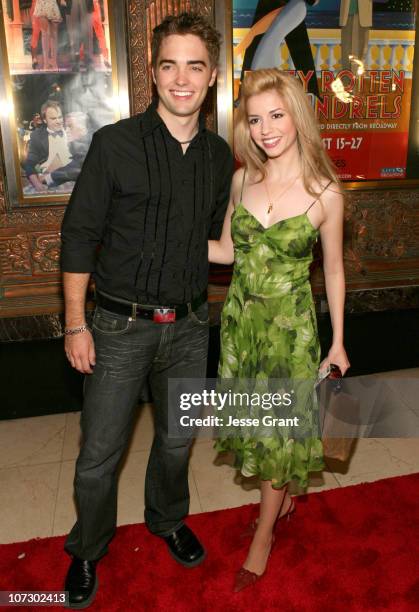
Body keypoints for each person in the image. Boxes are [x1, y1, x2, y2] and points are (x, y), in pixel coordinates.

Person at [60, 12, 233, 609]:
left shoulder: (218, 155)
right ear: (153, 73)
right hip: (116, 327)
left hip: (188, 326)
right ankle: (87, 549)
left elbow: (213, 241)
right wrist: (76, 324)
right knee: (98, 454)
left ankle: (167, 520)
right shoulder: (115, 145)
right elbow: (79, 237)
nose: (181, 78)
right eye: (169, 65)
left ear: (211, 77)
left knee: (178, 441)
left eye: (194, 66)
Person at [208, 69, 350, 592]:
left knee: (274, 435)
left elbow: (332, 270)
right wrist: (168, 240)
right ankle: (283, 500)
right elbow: (225, 251)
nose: (266, 129)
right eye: (255, 119)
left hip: (289, 332)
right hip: (242, 324)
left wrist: (337, 341)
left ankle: (263, 533)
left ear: (297, 117)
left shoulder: (325, 192)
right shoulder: (242, 178)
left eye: (277, 115)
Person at [23, 100, 71, 192]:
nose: (58, 121)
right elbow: (30, 164)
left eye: (60, 117)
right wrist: (38, 185)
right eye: (53, 118)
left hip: (73, 180)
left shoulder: (72, 129)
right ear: (44, 120)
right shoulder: (37, 136)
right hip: (48, 184)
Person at [41, 111, 92, 187]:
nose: (66, 131)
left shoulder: (84, 150)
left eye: (70, 126)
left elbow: (72, 169)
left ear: (83, 129)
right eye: (65, 127)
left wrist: (47, 177)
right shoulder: (77, 148)